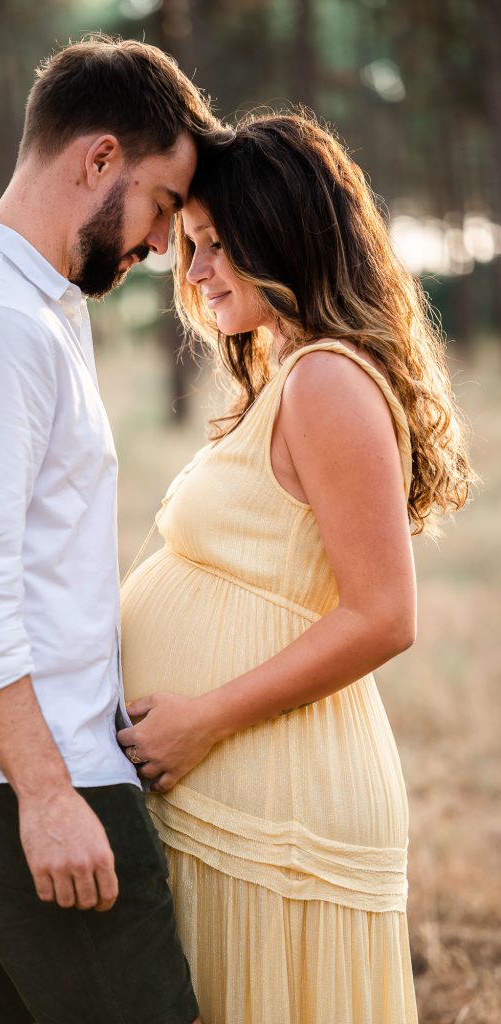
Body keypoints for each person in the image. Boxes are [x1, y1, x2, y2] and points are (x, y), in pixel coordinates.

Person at [0, 36, 228, 1024]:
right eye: (164, 204)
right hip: (28, 780)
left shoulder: (33, 311)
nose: (166, 244)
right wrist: (45, 794)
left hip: (48, 762)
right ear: (97, 160)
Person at [119, 112, 475, 1024]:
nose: (191, 272)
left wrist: (197, 721)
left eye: (211, 246)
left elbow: (382, 616)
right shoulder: (285, 372)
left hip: (276, 794)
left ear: (281, 234)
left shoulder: (327, 382)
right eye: (188, 244)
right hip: (237, 791)